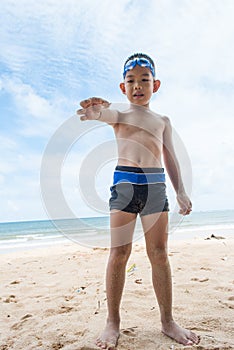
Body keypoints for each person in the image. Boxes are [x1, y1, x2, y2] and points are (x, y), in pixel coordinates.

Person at [77, 53, 200, 349]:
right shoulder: (120, 115)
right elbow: (102, 115)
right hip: (125, 185)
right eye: (131, 81)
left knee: (158, 253)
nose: (138, 86)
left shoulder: (163, 121)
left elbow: (170, 156)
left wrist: (181, 190)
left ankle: (167, 320)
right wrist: (96, 110)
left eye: (144, 80)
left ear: (155, 84)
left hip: (156, 186)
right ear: (123, 88)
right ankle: (112, 322)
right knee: (119, 253)